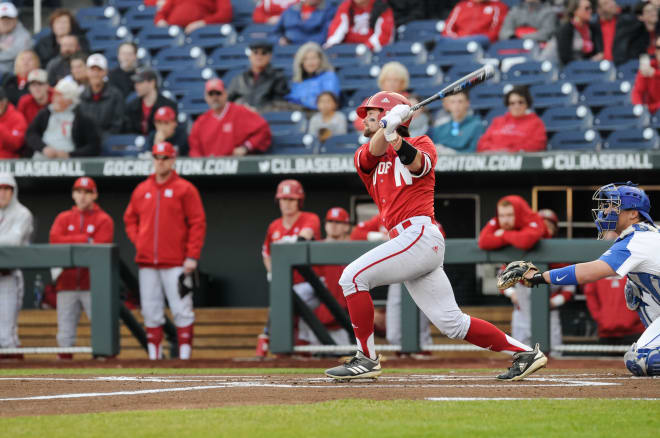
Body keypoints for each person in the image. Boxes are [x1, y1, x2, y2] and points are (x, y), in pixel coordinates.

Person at [324, 91, 548, 381]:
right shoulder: (365, 155)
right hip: (406, 241)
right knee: (452, 323)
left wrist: (394, 135)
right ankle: (527, 353)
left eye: (371, 115)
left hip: (418, 234)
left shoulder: (421, 142)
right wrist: (386, 126)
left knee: (352, 277)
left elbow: (417, 164)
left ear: (388, 114)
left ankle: (366, 359)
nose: (364, 121)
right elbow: (373, 152)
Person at [504, 182, 660, 376]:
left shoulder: (638, 240)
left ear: (633, 213)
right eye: (606, 205)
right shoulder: (642, 235)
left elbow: (589, 272)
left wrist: (538, 277)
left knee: (642, 360)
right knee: (634, 291)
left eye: (614, 206)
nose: (606, 210)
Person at [123, 142, 206, 360]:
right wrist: (139, 240)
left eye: (165, 158)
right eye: (157, 157)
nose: (160, 162)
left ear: (172, 160)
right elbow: (129, 219)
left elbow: (197, 223)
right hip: (147, 261)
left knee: (182, 309)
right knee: (150, 311)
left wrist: (192, 255)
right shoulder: (142, 189)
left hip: (177, 262)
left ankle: (185, 358)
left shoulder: (185, 188)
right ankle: (154, 357)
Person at [48, 177, 114, 360]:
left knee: (101, 329)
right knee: (65, 332)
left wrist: (72, 241)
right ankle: (64, 375)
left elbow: (99, 247)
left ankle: (105, 372)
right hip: (66, 283)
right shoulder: (63, 218)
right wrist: (85, 239)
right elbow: (55, 240)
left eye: (87, 192)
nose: (82, 196)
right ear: (73, 194)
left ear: (95, 195)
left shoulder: (104, 219)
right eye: (79, 192)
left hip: (93, 284)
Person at [257, 179, 322, 357]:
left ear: (299, 201)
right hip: (286, 284)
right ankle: (285, 354)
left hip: (311, 284)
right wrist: (272, 272)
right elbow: (266, 254)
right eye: (284, 199)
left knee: (286, 301)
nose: (287, 203)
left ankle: (265, 339)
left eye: (291, 199)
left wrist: (291, 242)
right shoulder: (274, 226)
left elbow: (305, 235)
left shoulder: (310, 218)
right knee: (287, 304)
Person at [497, 208, 574, 355]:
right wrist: (512, 293)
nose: (546, 229)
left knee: (554, 354)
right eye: (542, 225)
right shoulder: (521, 249)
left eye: (549, 226)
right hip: (522, 313)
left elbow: (569, 289)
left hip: (549, 313)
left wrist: (553, 302)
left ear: (555, 229)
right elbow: (502, 277)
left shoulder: (561, 254)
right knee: (519, 353)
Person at [299, 207, 352, 348]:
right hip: (316, 321)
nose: (333, 225)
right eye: (330, 221)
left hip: (343, 322)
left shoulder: (355, 248)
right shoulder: (314, 249)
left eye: (338, 222)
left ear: (347, 226)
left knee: (345, 360)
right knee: (312, 362)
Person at [189, 78, 272, 156]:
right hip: (211, 168)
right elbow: (194, 149)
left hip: (236, 166)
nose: (214, 98)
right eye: (211, 94)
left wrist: (246, 147)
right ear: (206, 97)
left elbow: (263, 129)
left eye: (218, 93)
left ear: (225, 94)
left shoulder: (240, 112)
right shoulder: (201, 121)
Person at [0, 173, 33, 359]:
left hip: (8, 275)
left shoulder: (22, 213)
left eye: (7, 189)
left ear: (13, 191)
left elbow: (14, 240)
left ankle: (17, 378)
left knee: (6, 334)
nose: (3, 193)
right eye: (0, 189)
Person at [26, 79, 101, 159]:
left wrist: (70, 155)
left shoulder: (82, 117)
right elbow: (30, 134)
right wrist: (43, 148)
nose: (54, 98)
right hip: (42, 158)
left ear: (70, 100)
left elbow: (94, 146)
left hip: (69, 163)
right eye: (55, 95)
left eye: (59, 95)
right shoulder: (45, 113)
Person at [477, 85, 546, 153]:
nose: (516, 106)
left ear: (527, 103)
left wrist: (509, 151)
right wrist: (496, 151)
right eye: (512, 103)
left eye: (520, 102)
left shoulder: (536, 123)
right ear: (508, 105)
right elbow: (482, 143)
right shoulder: (498, 121)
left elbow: (537, 145)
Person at [226, 41, 290, 112]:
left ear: (270, 56)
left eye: (264, 53)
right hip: (241, 118)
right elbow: (227, 102)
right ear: (250, 56)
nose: (259, 56)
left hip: (266, 119)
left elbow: (280, 104)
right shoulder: (239, 79)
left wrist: (258, 111)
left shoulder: (278, 78)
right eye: (255, 52)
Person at [584, 275, 646, 347]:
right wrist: (602, 320)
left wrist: (636, 318)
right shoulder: (597, 273)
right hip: (607, 333)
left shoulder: (636, 272)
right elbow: (591, 298)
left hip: (635, 332)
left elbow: (646, 296)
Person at [478, 195, 547, 251]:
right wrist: (514, 238)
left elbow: (526, 241)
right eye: (501, 215)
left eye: (510, 215)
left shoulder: (533, 218)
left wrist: (503, 233)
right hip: (513, 265)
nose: (505, 220)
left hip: (544, 266)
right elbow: (483, 241)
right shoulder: (497, 220)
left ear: (518, 213)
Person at [79, 54, 125, 136]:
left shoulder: (116, 95)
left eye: (99, 70)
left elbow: (117, 124)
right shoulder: (81, 96)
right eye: (92, 70)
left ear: (106, 72)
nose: (96, 74)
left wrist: (100, 140)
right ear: (87, 71)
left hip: (108, 142)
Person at [324, 0, 395, 52]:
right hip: (349, 51)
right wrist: (331, 45)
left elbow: (384, 36)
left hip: (373, 52)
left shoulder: (381, 6)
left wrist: (366, 48)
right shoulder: (347, 5)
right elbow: (336, 29)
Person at [286, 42, 340, 110]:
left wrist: (302, 102)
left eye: (314, 58)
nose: (310, 62)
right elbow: (292, 98)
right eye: (306, 59)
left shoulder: (329, 77)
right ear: (301, 62)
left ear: (320, 59)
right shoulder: (298, 80)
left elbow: (329, 102)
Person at [124, 68, 177, 136]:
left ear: (152, 83)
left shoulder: (169, 106)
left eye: (140, 82)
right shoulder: (131, 106)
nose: (136, 86)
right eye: (135, 82)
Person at [555, 0, 604, 66]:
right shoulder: (566, 29)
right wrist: (586, 63)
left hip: (591, 68)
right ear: (575, 11)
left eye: (591, 8)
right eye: (586, 8)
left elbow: (599, 52)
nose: (590, 11)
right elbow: (565, 57)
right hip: (572, 69)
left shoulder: (593, 28)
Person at [613, 1, 659, 65]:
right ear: (640, 17)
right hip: (641, 67)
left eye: (654, 10)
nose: (653, 13)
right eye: (648, 12)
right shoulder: (636, 36)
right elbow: (636, 55)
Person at [442, 0, 509, 44]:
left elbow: (495, 32)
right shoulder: (461, 6)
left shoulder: (498, 6)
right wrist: (457, 39)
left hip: (480, 42)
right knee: (439, 40)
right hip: (457, 40)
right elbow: (447, 28)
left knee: (476, 41)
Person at [155, 0, 232, 34]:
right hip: (172, 32)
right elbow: (161, 13)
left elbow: (225, 14)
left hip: (200, 32)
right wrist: (160, 21)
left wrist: (202, 23)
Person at [0, 2, 32, 75]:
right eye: (2, 19)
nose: (5, 21)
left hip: (12, 74)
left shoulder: (23, 35)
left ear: (15, 19)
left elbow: (17, 53)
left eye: (9, 18)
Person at [631, 35, 660, 114]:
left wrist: (655, 74)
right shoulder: (649, 67)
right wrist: (639, 107)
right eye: (658, 47)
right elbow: (637, 92)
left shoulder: (651, 71)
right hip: (652, 114)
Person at [0, 87, 27, 159]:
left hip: (9, 162)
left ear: (5, 102)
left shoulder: (17, 117)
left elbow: (17, 144)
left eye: (1, 102)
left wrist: (1, 128)